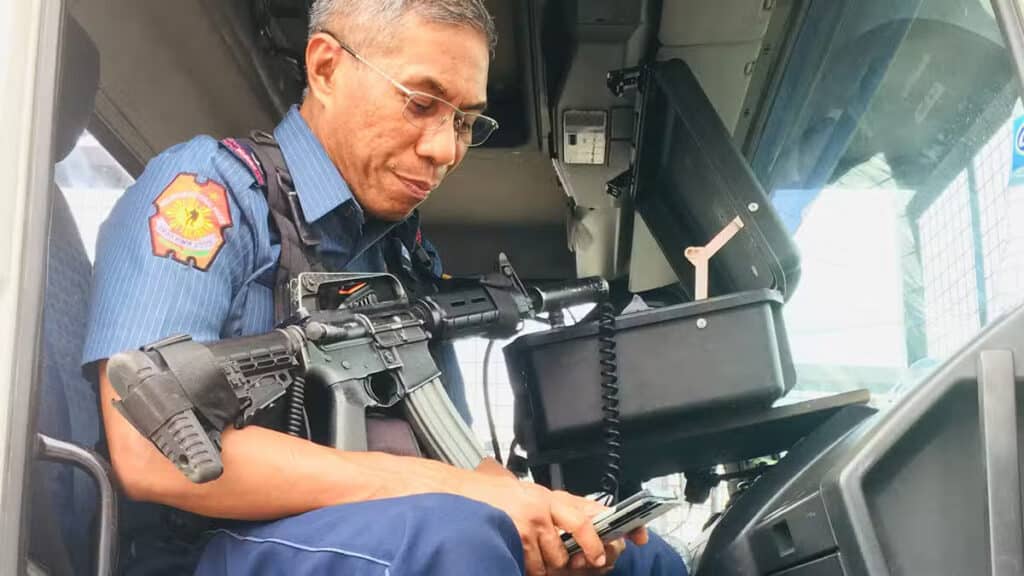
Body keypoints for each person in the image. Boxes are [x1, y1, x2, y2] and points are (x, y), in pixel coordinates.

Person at [82, 1, 688, 574]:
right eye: (421, 103)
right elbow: (149, 450)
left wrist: (542, 517)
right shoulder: (211, 191)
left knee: (640, 556)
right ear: (325, 68)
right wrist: (452, 493)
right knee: (459, 537)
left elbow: (454, 455)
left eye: (465, 121)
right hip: (207, 549)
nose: (445, 148)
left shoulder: (407, 255)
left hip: (397, 533)